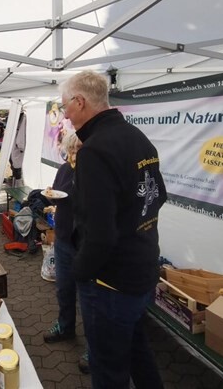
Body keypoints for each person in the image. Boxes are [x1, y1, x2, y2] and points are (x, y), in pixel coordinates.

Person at [60, 70, 167, 389]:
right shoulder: (138, 137)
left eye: (65, 106)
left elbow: (100, 234)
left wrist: (80, 272)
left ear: (80, 102)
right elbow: (158, 197)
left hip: (110, 282)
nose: (64, 114)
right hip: (142, 268)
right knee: (137, 351)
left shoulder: (94, 151)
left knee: (108, 370)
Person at [41, 133, 89, 372]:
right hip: (63, 239)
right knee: (64, 289)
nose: (76, 153)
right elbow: (57, 197)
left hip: (86, 243)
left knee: (89, 298)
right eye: (73, 149)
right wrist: (51, 195)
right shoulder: (64, 170)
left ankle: (94, 348)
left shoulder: (94, 173)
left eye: (80, 148)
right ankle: (65, 326)